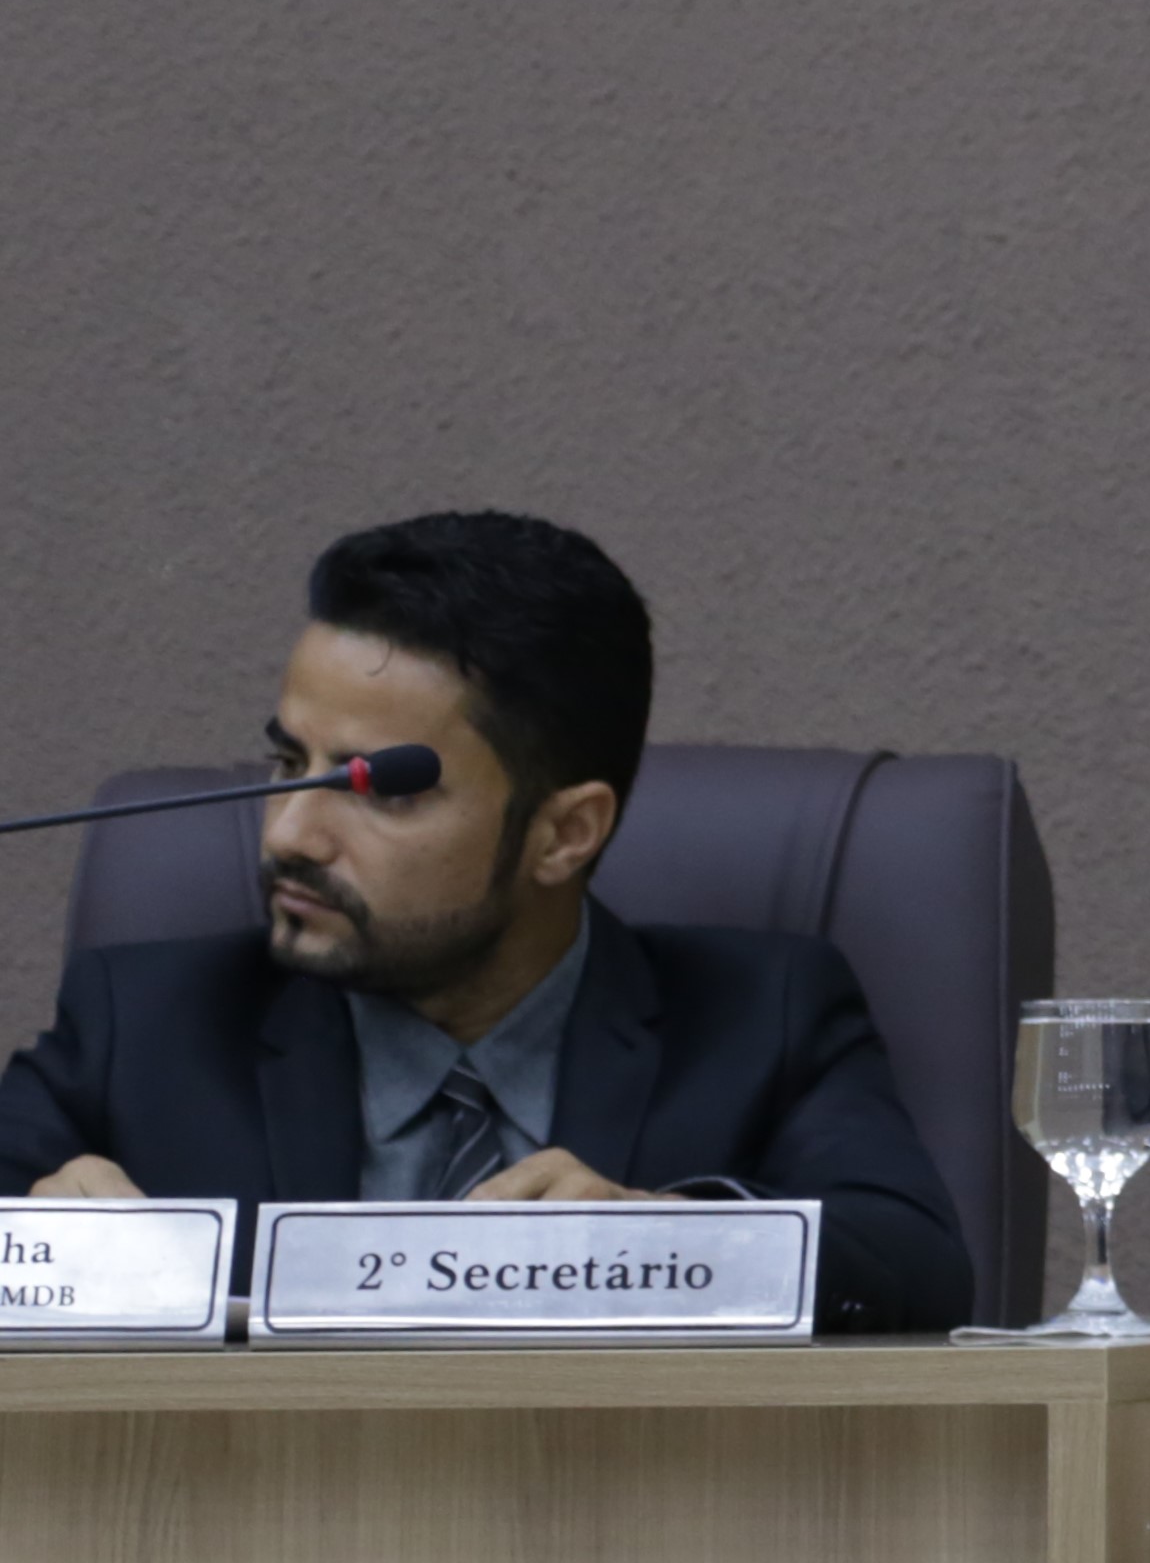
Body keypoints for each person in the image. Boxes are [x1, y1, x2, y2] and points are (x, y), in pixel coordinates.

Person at [0, 510, 977, 1335]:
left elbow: (914, 1265)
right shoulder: (148, 1023)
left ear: (564, 832)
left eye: (375, 790)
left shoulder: (759, 1017)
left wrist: (664, 1235)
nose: (291, 830)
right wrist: (35, 1247)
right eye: (286, 760)